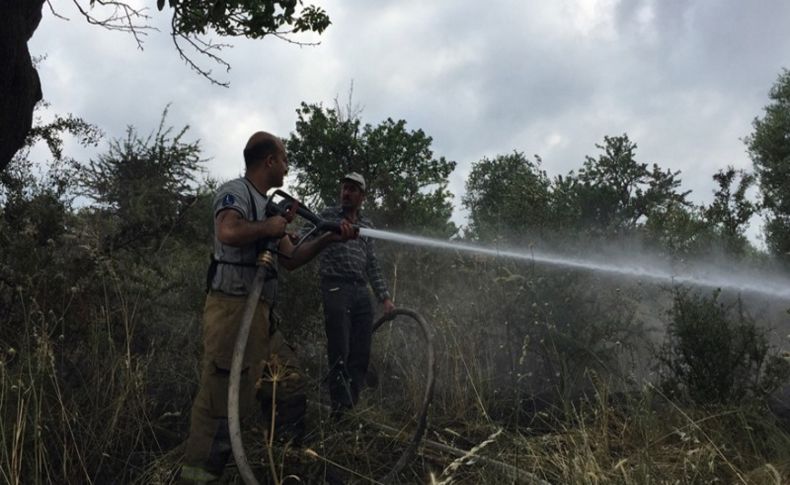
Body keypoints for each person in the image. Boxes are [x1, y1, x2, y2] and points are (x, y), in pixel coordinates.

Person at [179, 132, 355, 484]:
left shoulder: (272, 205)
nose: (288, 167)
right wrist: (268, 226)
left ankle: (284, 464)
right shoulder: (237, 192)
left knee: (288, 384)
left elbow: (290, 258)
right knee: (220, 401)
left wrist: (328, 238)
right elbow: (228, 231)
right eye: (285, 159)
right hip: (232, 312)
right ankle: (199, 477)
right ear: (269, 161)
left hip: (261, 315)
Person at [312, 172, 395, 416]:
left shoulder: (367, 226)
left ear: (362, 196)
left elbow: (372, 264)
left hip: (360, 291)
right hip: (335, 287)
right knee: (340, 348)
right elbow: (305, 235)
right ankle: (338, 410)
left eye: (352, 189)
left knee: (361, 352)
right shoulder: (327, 215)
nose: (346, 193)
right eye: (344, 188)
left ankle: (349, 406)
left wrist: (385, 297)